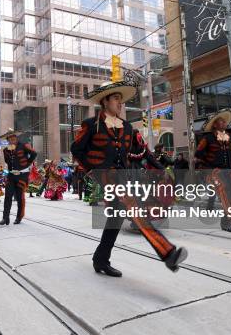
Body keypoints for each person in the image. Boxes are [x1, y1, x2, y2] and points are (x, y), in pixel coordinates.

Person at [71, 80, 187, 278]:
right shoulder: (91, 124)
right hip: (105, 175)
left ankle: (100, 259)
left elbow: (142, 152)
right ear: (105, 101)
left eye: (120, 99)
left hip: (123, 176)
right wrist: (91, 170)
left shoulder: (125, 126)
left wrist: (161, 169)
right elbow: (76, 149)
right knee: (134, 207)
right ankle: (168, 253)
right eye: (116, 98)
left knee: (115, 219)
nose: (119, 103)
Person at [195, 109, 231, 233]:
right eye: (219, 122)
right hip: (214, 172)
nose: (222, 123)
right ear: (215, 125)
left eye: (224, 122)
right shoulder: (207, 138)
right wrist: (209, 166)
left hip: (228, 171)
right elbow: (198, 154)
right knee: (223, 190)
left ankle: (225, 223)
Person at [0, 129, 37, 225]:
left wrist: (27, 164)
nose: (12, 139)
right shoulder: (6, 150)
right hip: (11, 175)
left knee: (19, 197)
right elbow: (7, 161)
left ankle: (19, 217)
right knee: (7, 196)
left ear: (16, 138)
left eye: (14, 137)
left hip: (22, 175)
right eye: (10, 138)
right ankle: (5, 218)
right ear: (8, 140)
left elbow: (34, 154)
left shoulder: (23, 146)